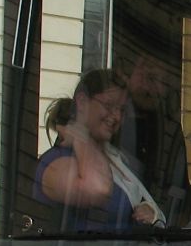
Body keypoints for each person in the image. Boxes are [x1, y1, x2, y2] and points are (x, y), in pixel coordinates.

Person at [35, 68, 161, 230]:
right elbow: (98, 188)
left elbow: (143, 201)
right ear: (82, 102)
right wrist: (80, 135)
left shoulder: (118, 158)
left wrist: (150, 211)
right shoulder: (56, 160)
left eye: (121, 110)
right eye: (109, 105)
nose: (117, 116)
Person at [114, 47, 189, 222]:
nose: (151, 87)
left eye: (159, 80)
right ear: (127, 75)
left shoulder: (172, 133)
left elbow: (177, 198)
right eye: (145, 76)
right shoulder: (109, 120)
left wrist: (155, 214)